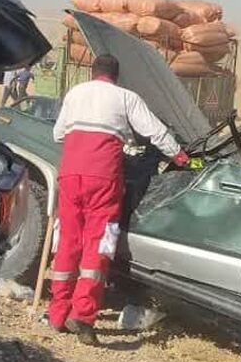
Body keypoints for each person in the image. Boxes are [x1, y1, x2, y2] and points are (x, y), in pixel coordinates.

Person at [48, 54, 190, 344]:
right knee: (99, 244)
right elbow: (155, 131)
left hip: (70, 174)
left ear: (93, 73)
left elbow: (58, 134)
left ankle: (57, 314)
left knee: (68, 242)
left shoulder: (75, 93)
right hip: (104, 178)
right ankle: (83, 316)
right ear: (116, 76)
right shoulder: (126, 97)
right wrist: (180, 156)